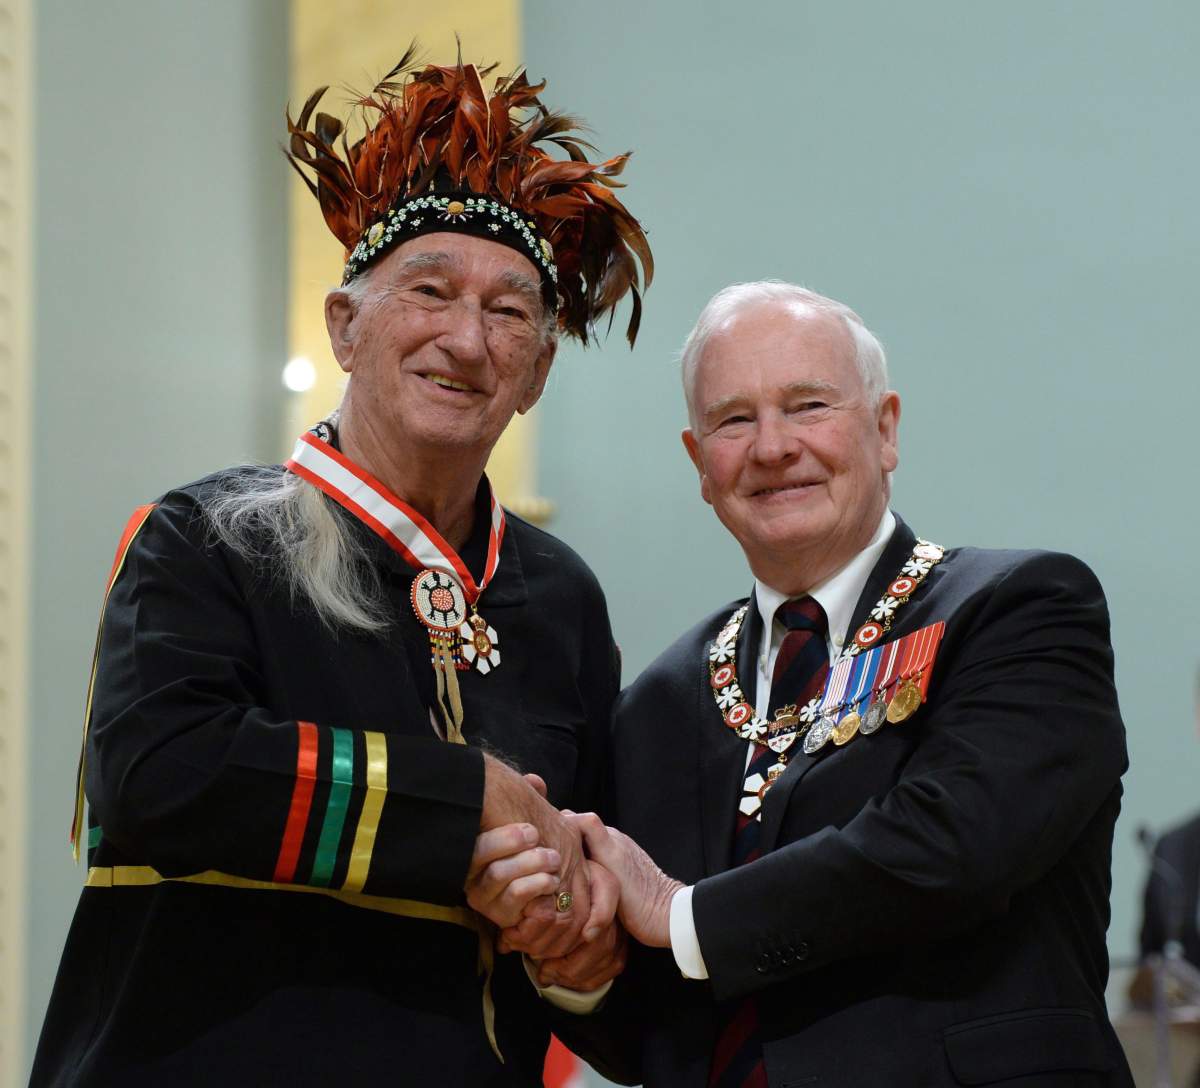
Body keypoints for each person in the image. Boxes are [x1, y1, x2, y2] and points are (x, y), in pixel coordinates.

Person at [32, 50, 648, 1086]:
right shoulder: (206, 533)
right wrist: (467, 803)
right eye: (430, 289)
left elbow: (585, 900)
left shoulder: (562, 596)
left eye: (508, 311)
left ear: (538, 369)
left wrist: (569, 930)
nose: (466, 336)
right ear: (346, 326)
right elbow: (155, 774)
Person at [486, 281, 1135, 1085]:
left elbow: (952, 848)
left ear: (885, 429)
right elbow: (655, 1030)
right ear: (699, 462)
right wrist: (576, 965)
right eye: (733, 419)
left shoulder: (1019, 610)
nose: (771, 447)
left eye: (808, 406)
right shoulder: (660, 701)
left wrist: (680, 912)